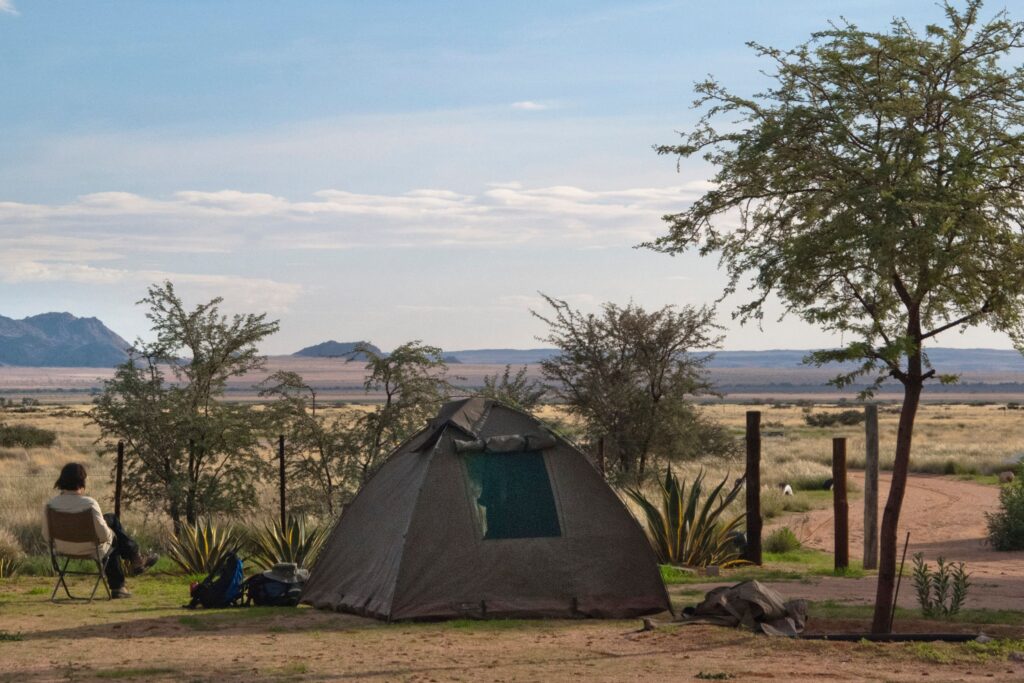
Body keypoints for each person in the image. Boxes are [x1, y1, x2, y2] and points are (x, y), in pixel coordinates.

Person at [41, 462, 158, 599]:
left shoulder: (50, 506)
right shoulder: (89, 504)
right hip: (90, 548)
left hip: (62, 548)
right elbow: (103, 536)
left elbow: (46, 535)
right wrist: (112, 534)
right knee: (113, 537)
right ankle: (128, 569)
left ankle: (132, 563)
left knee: (110, 520)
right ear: (82, 481)